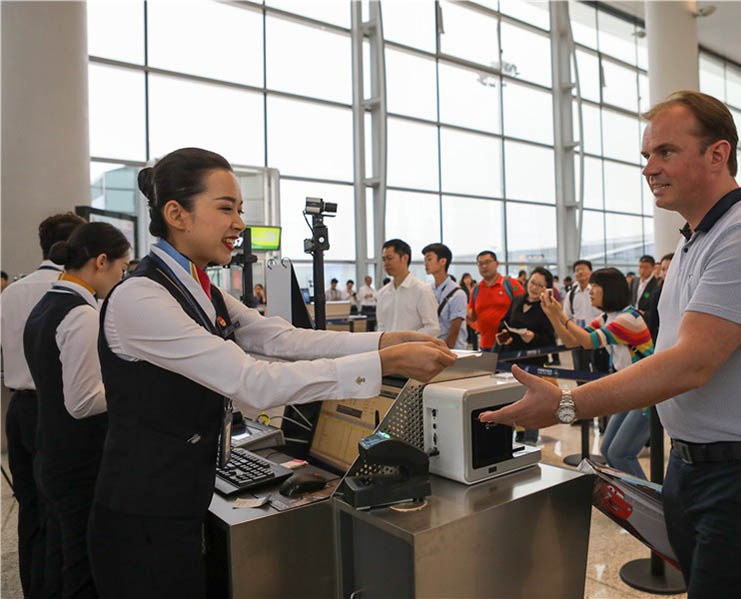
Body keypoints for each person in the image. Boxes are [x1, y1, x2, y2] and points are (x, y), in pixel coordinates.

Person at [481, 91, 741, 598]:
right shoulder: (695, 240)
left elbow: (689, 364)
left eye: (665, 151)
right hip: (701, 465)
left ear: (717, 154)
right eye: (646, 156)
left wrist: (567, 403)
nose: (649, 168)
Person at [86, 148, 456, 598]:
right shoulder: (140, 299)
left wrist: (382, 342)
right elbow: (253, 381)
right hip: (141, 514)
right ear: (177, 214)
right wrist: (385, 364)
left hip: (179, 499)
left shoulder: (204, 291)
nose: (239, 223)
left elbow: (284, 339)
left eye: (240, 209)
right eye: (226, 208)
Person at [24, 222, 131, 598]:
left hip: (51, 452)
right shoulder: (80, 315)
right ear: (101, 262)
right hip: (78, 463)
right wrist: (132, 386)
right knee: (84, 567)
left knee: (59, 558)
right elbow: (83, 401)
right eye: (122, 268)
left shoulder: (45, 305)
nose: (122, 278)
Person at [1, 211, 84, 598]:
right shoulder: (71, 291)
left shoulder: (12, 291)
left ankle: (32, 589)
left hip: (17, 409)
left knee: (29, 505)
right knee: (60, 511)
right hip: (56, 410)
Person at [542, 268, 654, 478]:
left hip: (648, 393)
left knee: (620, 453)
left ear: (609, 290)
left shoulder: (627, 319)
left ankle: (646, 502)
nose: (591, 291)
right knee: (609, 450)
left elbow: (588, 341)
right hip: (630, 391)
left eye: (595, 287)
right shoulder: (608, 317)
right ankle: (633, 499)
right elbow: (572, 341)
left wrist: (560, 315)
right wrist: (552, 315)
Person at [496, 267, 557, 444]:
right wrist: (503, 335)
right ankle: (513, 439)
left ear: (546, 289)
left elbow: (550, 340)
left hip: (533, 363)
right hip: (510, 361)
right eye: (532, 282)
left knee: (531, 404)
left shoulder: (547, 308)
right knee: (511, 401)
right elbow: (504, 322)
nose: (534, 287)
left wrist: (533, 337)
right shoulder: (516, 300)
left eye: (539, 285)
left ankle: (529, 442)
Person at [376, 239, 439, 336]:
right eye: (383, 259)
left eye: (390, 258)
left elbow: (432, 328)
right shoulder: (382, 293)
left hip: (413, 349)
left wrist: (406, 340)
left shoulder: (422, 290)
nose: (386, 263)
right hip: (388, 350)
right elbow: (381, 327)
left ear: (405, 258)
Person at [466, 251, 523, 351]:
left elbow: (524, 310)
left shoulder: (510, 284)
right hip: (485, 346)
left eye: (487, 262)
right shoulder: (475, 290)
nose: (484, 266)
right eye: (480, 264)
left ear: (496, 264)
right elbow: (472, 316)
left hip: (510, 345)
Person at [422, 243, 467, 350]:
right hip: (434, 349)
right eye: (425, 260)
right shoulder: (428, 290)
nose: (425, 264)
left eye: (429, 259)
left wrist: (444, 351)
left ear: (442, 261)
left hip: (453, 353)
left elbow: (454, 333)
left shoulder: (457, 293)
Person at [563, 260, 604, 376]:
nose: (579, 272)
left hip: (597, 337)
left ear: (591, 272)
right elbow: (567, 317)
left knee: (599, 372)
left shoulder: (598, 291)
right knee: (580, 372)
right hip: (578, 338)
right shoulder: (571, 294)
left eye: (583, 269)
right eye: (577, 270)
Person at [643, 253, 673, 342]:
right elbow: (653, 322)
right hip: (662, 338)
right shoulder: (658, 293)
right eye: (663, 269)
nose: (666, 273)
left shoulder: (688, 290)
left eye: (670, 269)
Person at [459, 272, 477, 349]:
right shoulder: (462, 289)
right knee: (467, 328)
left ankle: (475, 347)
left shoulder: (474, 288)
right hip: (465, 310)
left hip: (473, 310)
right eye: (466, 278)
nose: (467, 280)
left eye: (469, 278)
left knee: (474, 328)